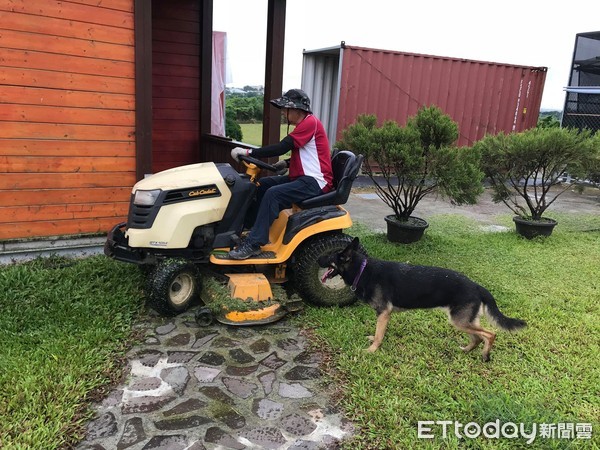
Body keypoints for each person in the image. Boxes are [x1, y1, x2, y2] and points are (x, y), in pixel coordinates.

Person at [228, 88, 334, 259]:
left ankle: (254, 244)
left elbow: (282, 146)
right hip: (303, 178)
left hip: (316, 182)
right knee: (262, 185)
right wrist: (285, 163)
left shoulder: (310, 123)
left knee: (273, 194)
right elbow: (310, 155)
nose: (284, 113)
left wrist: (248, 153)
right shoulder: (306, 124)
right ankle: (252, 230)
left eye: (286, 109)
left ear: (297, 109)